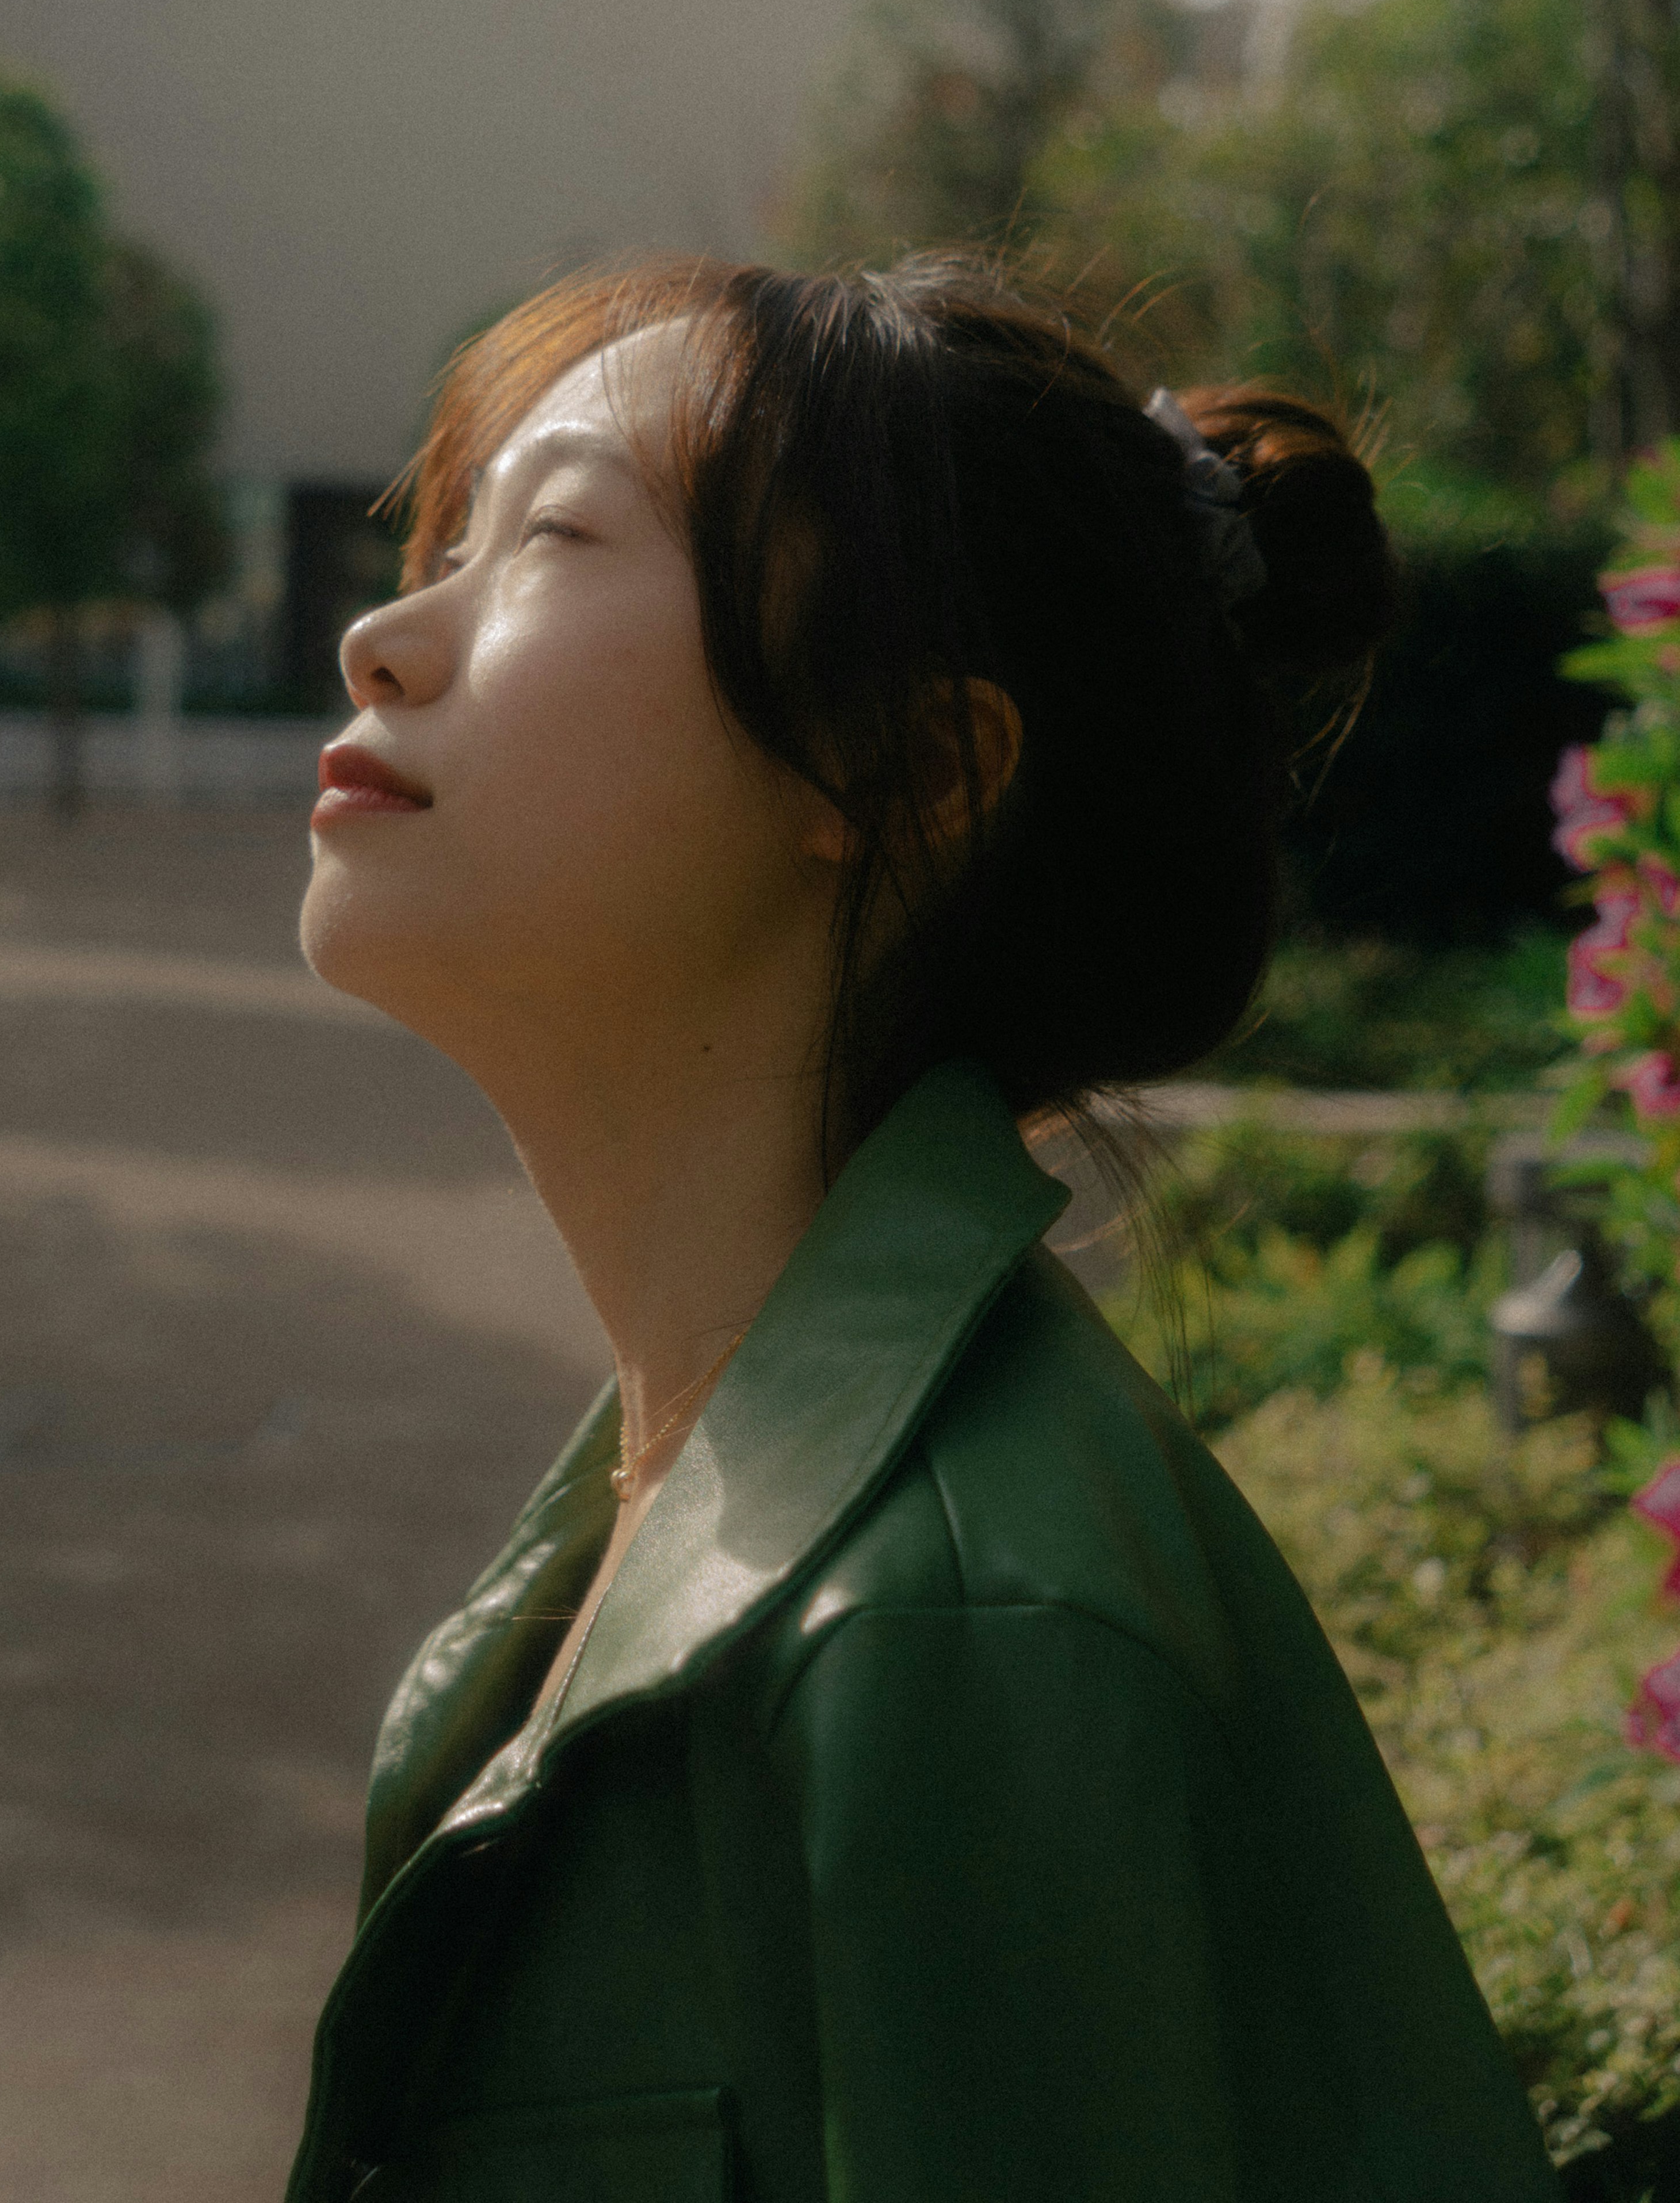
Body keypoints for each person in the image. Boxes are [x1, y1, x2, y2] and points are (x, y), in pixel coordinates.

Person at [285, 253, 1559, 2202]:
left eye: (544, 538)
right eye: (439, 543)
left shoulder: (956, 1630)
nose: (385, 636)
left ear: (910, 768)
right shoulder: (738, 1490)